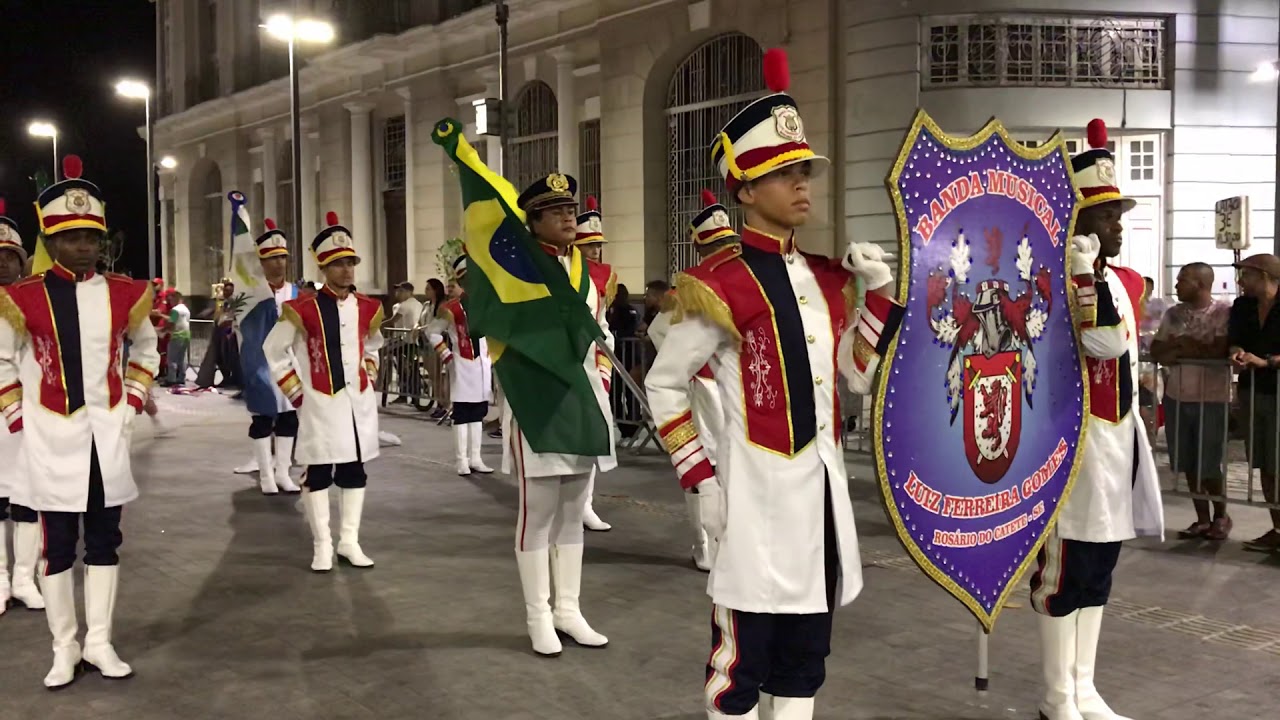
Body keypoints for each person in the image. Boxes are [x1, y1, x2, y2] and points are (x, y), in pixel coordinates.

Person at [644, 49, 902, 720]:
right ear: (746, 191)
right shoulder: (718, 283)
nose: (802, 185)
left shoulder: (827, 278)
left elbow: (854, 374)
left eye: (804, 172)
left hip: (820, 501)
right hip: (754, 503)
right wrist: (701, 479)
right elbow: (665, 384)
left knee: (804, 665)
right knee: (738, 675)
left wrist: (878, 293)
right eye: (784, 174)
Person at [0, 156, 160, 688]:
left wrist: (132, 402)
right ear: (51, 238)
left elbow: (146, 350)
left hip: (106, 440)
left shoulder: (125, 292)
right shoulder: (21, 297)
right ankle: (64, 647)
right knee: (59, 547)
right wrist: (18, 417)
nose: (84, 247)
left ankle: (100, 642)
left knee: (105, 543)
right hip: (50, 440)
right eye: (72, 238)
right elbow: (2, 361)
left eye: (91, 237)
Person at [1029, 119, 1164, 720]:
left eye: (1118, 214)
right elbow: (1103, 342)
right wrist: (1081, 275)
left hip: (1116, 444)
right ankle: (1056, 697)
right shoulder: (1052, 281)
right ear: (1077, 219)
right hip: (1068, 446)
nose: (1118, 225)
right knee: (1063, 576)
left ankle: (1085, 689)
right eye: (1106, 215)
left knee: (1098, 573)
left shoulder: (1122, 282)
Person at [508, 172, 615, 657]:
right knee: (538, 513)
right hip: (539, 402)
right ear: (533, 221)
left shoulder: (592, 274)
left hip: (583, 402)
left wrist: (602, 378)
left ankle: (568, 610)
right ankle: (538, 615)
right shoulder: (518, 271)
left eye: (570, 209)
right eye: (556, 211)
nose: (569, 217)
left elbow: (602, 333)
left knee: (573, 510)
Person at [264, 211, 383, 572]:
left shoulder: (368, 307)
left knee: (354, 471)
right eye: (338, 264)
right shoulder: (302, 308)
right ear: (323, 268)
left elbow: (373, 346)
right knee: (317, 473)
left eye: (350, 263)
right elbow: (273, 351)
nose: (346, 270)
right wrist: (297, 394)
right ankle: (322, 544)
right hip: (319, 403)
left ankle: (349, 541)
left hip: (357, 405)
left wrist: (369, 376)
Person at [646, 188, 740, 572]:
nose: (725, 251)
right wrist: (690, 366)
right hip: (702, 390)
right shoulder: (688, 291)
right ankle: (703, 543)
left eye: (728, 243)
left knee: (732, 466)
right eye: (717, 245)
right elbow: (658, 331)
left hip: (735, 393)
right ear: (700, 248)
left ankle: (728, 541)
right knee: (703, 467)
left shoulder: (743, 283)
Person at [1150, 262, 1232, 540]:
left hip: (1211, 397)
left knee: (1208, 461)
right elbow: (1158, 349)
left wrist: (1183, 347)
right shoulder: (1173, 314)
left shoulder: (1223, 312)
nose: (1176, 285)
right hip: (1177, 395)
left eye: (1182, 280)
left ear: (1200, 284)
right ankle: (1202, 518)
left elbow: (1218, 350)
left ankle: (1221, 516)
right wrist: (1181, 345)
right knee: (1187, 460)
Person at [235, 219, 303, 495]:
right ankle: (265, 475)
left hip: (289, 365)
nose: (279, 263)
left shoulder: (295, 293)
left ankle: (283, 472)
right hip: (259, 363)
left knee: (289, 419)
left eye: (282, 257)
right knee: (263, 419)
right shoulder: (250, 295)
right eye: (272, 258)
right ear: (260, 262)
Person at [0, 198, 44, 615]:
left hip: (30, 416)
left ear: (21, 261)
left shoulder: (39, 305)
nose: (2, 263)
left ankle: (25, 578)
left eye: (9, 255)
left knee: (28, 500)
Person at [1227, 252, 1280, 552]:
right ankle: (1277, 528)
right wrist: (1236, 351)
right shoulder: (1242, 306)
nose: (1240, 281)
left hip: (1276, 390)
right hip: (1253, 391)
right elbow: (1235, 338)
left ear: (1264, 276)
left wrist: (1268, 361)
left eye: (1246, 275)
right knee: (1264, 462)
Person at [574, 195, 618, 533]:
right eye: (590, 244)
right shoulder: (562, 273)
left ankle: (585, 503)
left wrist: (605, 360)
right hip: (565, 361)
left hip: (593, 359)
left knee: (593, 433)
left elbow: (602, 325)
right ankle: (568, 503)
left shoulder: (605, 276)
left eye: (598, 244)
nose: (595, 250)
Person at [427, 255, 494, 476]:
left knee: (478, 413)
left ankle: (476, 458)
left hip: (482, 366)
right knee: (462, 414)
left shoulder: (486, 305)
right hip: (462, 365)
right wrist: (447, 355)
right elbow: (432, 333)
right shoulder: (451, 308)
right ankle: (461, 460)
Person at [388, 281, 424, 404]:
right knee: (412, 367)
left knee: (403, 366)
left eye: (401, 291)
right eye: (398, 291)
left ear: (409, 292)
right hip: (414, 340)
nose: (398, 293)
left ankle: (406, 392)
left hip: (406, 341)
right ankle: (414, 395)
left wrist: (378, 325)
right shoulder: (418, 304)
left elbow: (393, 320)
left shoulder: (404, 305)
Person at [166, 290, 191, 386]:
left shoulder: (175, 310)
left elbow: (171, 322)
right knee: (182, 358)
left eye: (171, 300)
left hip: (177, 335)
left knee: (172, 359)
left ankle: (171, 379)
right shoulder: (186, 309)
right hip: (186, 335)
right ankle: (181, 378)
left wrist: (163, 331)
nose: (170, 302)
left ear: (176, 298)